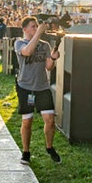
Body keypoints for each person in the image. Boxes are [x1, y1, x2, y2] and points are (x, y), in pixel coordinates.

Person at [14, 16, 61, 166]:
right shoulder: (19, 43)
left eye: (37, 26)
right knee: (27, 121)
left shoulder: (45, 45)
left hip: (42, 87)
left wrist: (53, 58)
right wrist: (38, 33)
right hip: (26, 87)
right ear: (25, 29)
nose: (36, 28)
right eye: (33, 26)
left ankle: (49, 147)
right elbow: (27, 52)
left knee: (50, 120)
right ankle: (26, 152)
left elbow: (48, 67)